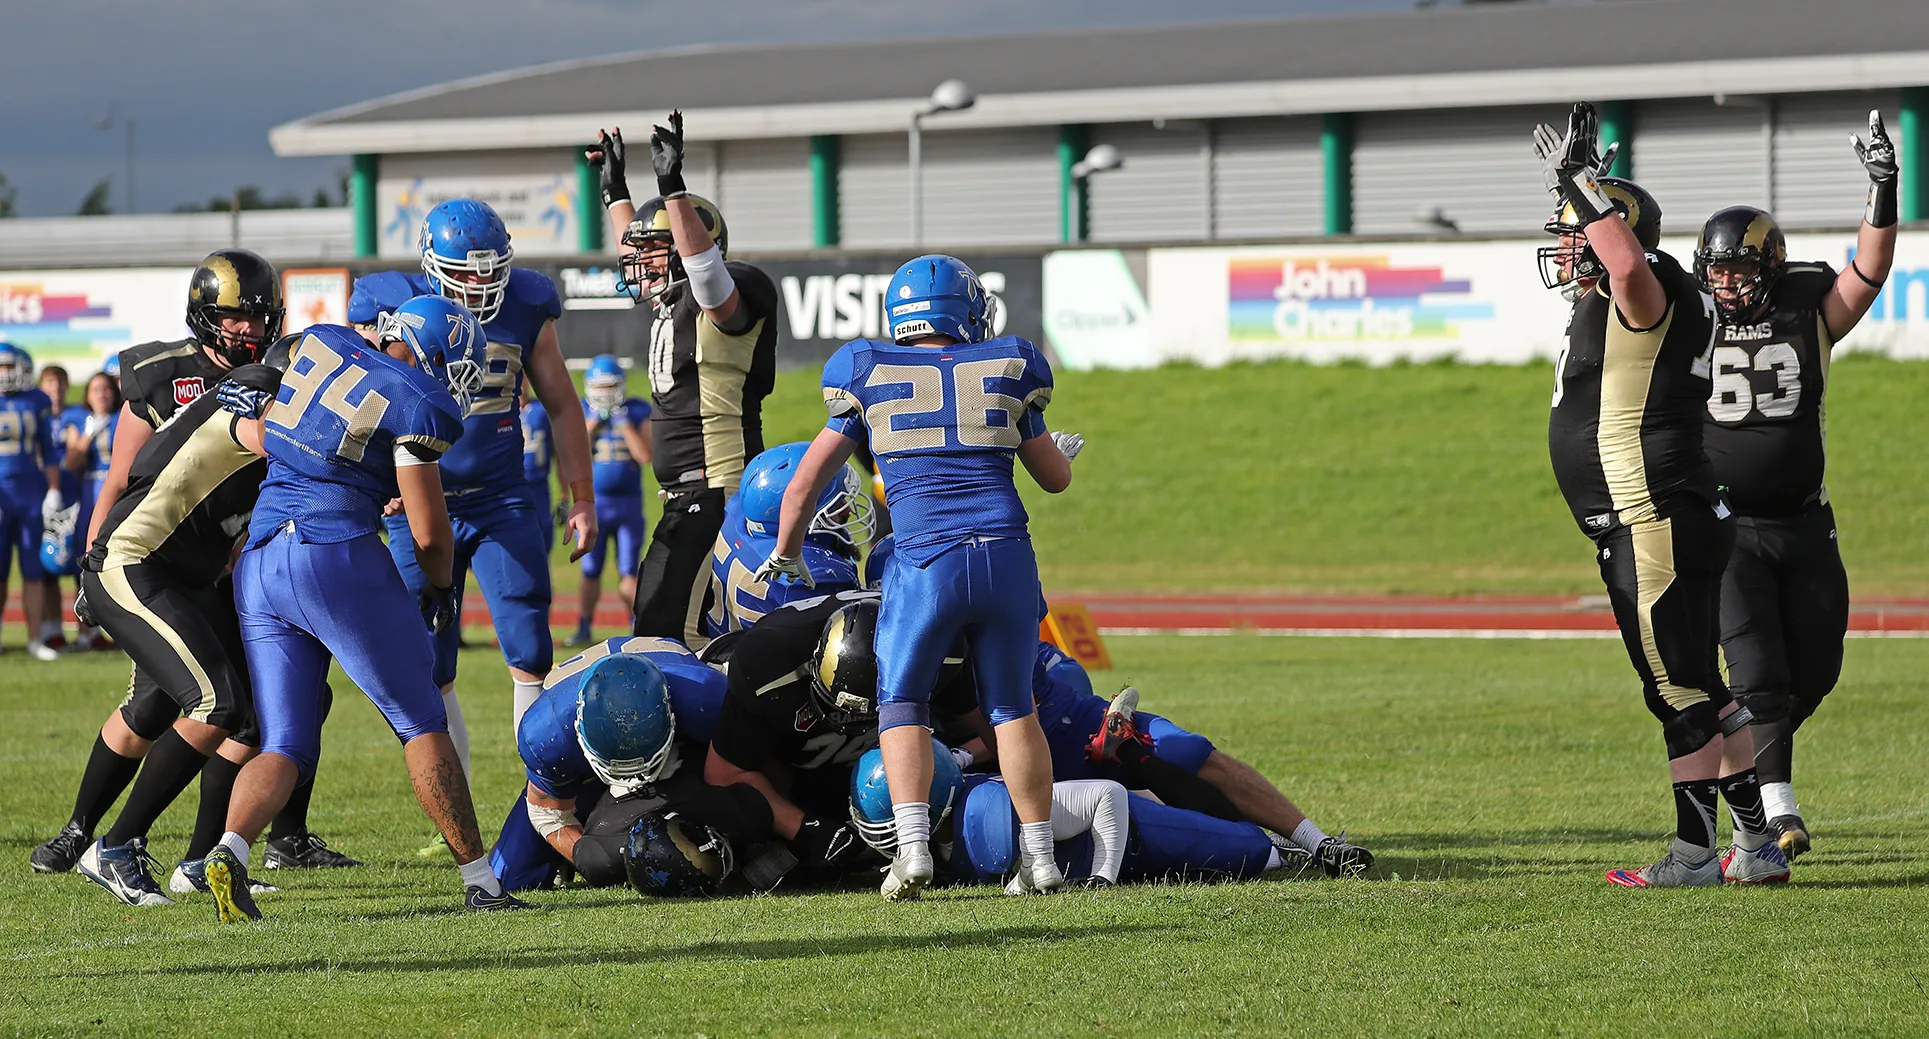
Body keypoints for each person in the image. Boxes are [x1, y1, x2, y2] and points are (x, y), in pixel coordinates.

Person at [756, 254, 1084, 900]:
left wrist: (789, 550)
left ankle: (910, 852)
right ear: (966, 312)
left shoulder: (865, 369)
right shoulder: (1009, 364)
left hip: (925, 560)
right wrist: (1045, 447)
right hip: (1007, 555)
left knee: (901, 699)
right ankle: (1039, 856)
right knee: (1014, 706)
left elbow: (801, 486)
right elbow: (1055, 478)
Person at [205, 303, 528, 921]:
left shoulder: (321, 342)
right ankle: (481, 880)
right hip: (335, 557)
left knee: (284, 742)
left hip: (263, 557)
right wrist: (440, 586)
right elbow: (432, 537)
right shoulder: (418, 401)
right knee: (419, 720)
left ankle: (231, 849)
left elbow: (289, 435)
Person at [1534, 103, 1782, 887]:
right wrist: (1587, 191)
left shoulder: (1649, 287)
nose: (1566, 242)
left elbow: (1630, 268)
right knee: (1704, 687)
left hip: (1649, 519)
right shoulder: (1631, 298)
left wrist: (1583, 184)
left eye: (1576, 229)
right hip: (1673, 513)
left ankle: (1693, 854)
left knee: (1678, 693)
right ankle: (1757, 843)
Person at [1692, 111, 1900, 862]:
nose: (1726, 284)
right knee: (1757, 675)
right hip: (1727, 526)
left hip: (1805, 523)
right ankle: (1774, 809)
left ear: (1770, 268)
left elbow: (1868, 270)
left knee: (1815, 669)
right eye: (1715, 272)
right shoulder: (1688, 318)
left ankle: (1741, 766)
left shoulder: (1806, 304)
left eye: (1739, 272)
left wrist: (1882, 186)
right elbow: (1618, 288)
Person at [349, 199, 596, 764]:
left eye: (491, 268)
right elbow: (357, 402)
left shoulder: (527, 303)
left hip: (498, 495)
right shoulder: (389, 303)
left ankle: (540, 796)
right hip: (411, 499)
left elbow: (561, 403)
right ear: (432, 264)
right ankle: (455, 810)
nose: (481, 283)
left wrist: (579, 496)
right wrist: (371, 483)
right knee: (426, 662)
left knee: (530, 644)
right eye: (465, 271)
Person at [68, 352, 291, 907]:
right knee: (213, 701)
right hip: (130, 561)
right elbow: (268, 435)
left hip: (180, 578)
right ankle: (113, 846)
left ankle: (199, 859)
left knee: (252, 708)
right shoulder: (255, 395)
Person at [587, 115, 779, 643]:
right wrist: (616, 193)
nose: (638, 263)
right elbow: (642, 245)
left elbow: (709, 280)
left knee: (669, 632)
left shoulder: (735, 290)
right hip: (687, 496)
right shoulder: (671, 301)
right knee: (668, 628)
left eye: (653, 252)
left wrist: (672, 188)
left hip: (720, 492)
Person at [966, 637, 1375, 876]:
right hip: (1048, 757)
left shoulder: (1001, 572)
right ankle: (1287, 847)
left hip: (1070, 726)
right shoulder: (931, 646)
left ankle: (1311, 844)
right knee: (1164, 814)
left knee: (1186, 755)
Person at [702, 592, 982, 885]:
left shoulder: (938, 652)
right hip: (781, 757)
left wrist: (957, 758)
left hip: (849, 758)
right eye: (840, 712)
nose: (847, 724)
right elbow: (723, 773)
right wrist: (806, 828)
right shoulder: (769, 669)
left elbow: (996, 728)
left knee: (931, 771)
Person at [489, 638, 774, 893]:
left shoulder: (705, 698)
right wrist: (587, 856)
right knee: (511, 876)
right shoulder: (547, 732)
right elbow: (546, 812)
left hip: (683, 751)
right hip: (588, 768)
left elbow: (756, 765)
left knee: (748, 811)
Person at [699, 442, 865, 641]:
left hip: (726, 644)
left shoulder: (741, 514)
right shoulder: (812, 576)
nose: (846, 509)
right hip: (780, 668)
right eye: (834, 506)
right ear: (795, 519)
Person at [569, 354, 652, 647]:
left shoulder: (637, 411)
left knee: (629, 569)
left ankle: (636, 625)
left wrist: (624, 424)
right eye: (600, 387)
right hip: (595, 503)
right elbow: (571, 451)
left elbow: (644, 455)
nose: (604, 393)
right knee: (590, 569)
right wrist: (592, 425)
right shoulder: (581, 411)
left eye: (610, 386)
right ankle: (583, 626)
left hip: (628, 504)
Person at [0, 343, 62, 661]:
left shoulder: (36, 400)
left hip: (29, 493)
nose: (6, 374)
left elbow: (49, 451)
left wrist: (53, 489)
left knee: (32, 567)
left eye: (10, 367)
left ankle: (36, 638)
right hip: (1, 492)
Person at [62, 369, 121, 650]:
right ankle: (85, 631)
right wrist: (88, 433)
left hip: (120, 491)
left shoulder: (125, 417)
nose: (102, 395)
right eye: (96, 390)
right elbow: (71, 462)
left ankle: (120, 633)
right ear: (87, 394)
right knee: (85, 560)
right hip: (91, 491)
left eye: (107, 389)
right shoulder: (77, 418)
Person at [40, 364, 79, 651]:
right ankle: (52, 629)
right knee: (46, 567)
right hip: (43, 501)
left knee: (81, 565)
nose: (55, 390)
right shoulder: (36, 415)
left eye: (59, 384)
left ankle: (86, 630)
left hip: (75, 497)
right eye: (50, 385)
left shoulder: (76, 415)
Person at [519, 394, 557, 555]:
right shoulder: (496, 407)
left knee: (543, 540)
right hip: (508, 486)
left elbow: (559, 453)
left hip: (539, 486)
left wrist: (564, 493)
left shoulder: (542, 409)